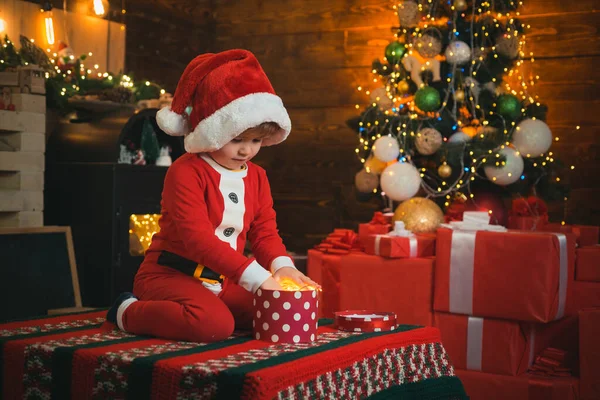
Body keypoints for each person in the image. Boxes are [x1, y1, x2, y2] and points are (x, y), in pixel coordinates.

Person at [106, 49, 319, 343]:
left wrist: (282, 269)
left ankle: (210, 305)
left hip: (222, 279)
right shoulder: (185, 172)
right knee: (213, 325)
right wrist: (258, 279)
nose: (247, 151)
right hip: (169, 274)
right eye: (237, 140)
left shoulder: (257, 177)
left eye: (256, 140)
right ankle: (127, 311)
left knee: (271, 311)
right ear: (213, 131)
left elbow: (264, 232)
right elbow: (198, 241)